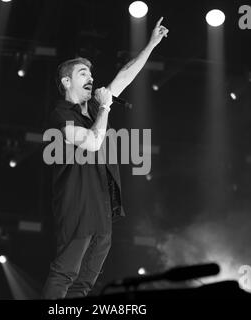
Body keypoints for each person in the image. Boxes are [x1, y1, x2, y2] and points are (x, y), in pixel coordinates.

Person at [42, 17, 169, 299]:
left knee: (84, 283)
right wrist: (105, 109)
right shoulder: (61, 114)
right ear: (66, 81)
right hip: (77, 202)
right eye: (83, 73)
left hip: (101, 205)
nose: (90, 78)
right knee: (65, 272)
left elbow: (126, 74)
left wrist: (151, 44)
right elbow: (91, 141)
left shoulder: (97, 106)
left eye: (90, 73)